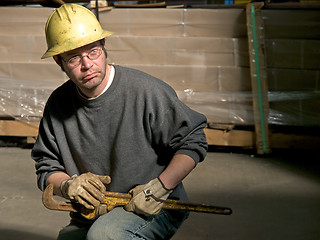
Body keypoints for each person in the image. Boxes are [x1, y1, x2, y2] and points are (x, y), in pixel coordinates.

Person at [31, 3, 208, 240]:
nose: (87, 65)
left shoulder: (146, 92)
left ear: (104, 47)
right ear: (59, 62)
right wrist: (68, 186)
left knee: (104, 235)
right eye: (74, 58)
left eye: (93, 52)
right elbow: (47, 167)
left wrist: (161, 187)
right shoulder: (58, 105)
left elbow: (192, 140)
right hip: (97, 209)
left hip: (153, 205)